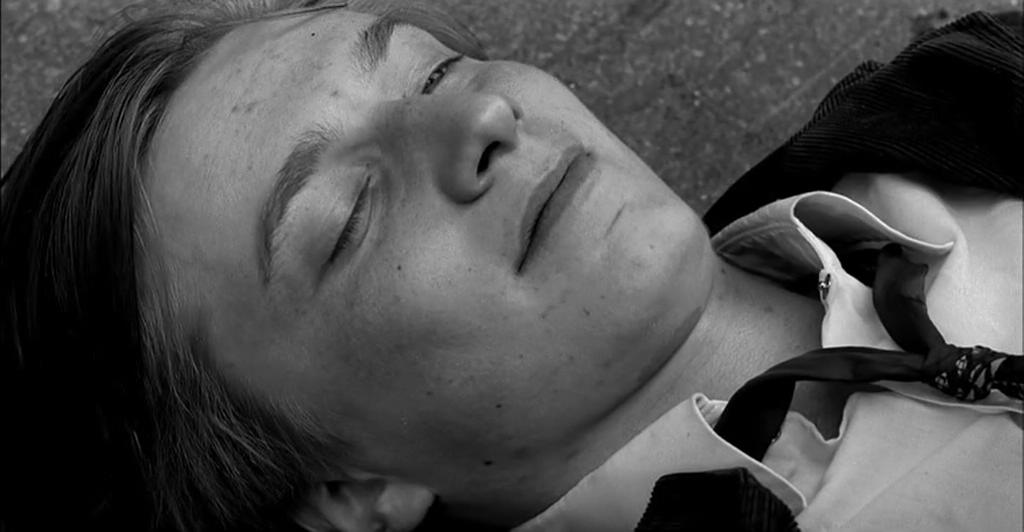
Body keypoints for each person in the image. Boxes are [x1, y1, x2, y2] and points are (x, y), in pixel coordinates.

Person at [2, 1, 1020, 531]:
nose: (479, 115)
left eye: (432, 70)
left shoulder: (971, 84)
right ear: (350, 491)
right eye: (349, 215)